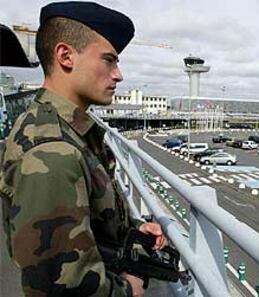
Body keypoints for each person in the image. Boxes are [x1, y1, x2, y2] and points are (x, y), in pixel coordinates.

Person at [0, 2, 167, 296]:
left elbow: (89, 216)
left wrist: (134, 230)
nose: (118, 75)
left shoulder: (68, 130)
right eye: (108, 60)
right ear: (65, 56)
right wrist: (129, 290)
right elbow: (59, 285)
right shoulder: (52, 153)